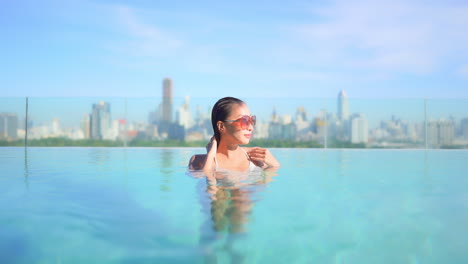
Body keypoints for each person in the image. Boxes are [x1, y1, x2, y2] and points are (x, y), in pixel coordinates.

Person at [189, 96, 280, 172]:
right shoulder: (198, 161)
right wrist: (210, 156)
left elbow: (264, 189)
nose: (251, 127)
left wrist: (274, 164)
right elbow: (208, 191)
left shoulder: (256, 156)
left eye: (251, 120)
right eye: (244, 120)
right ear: (221, 126)